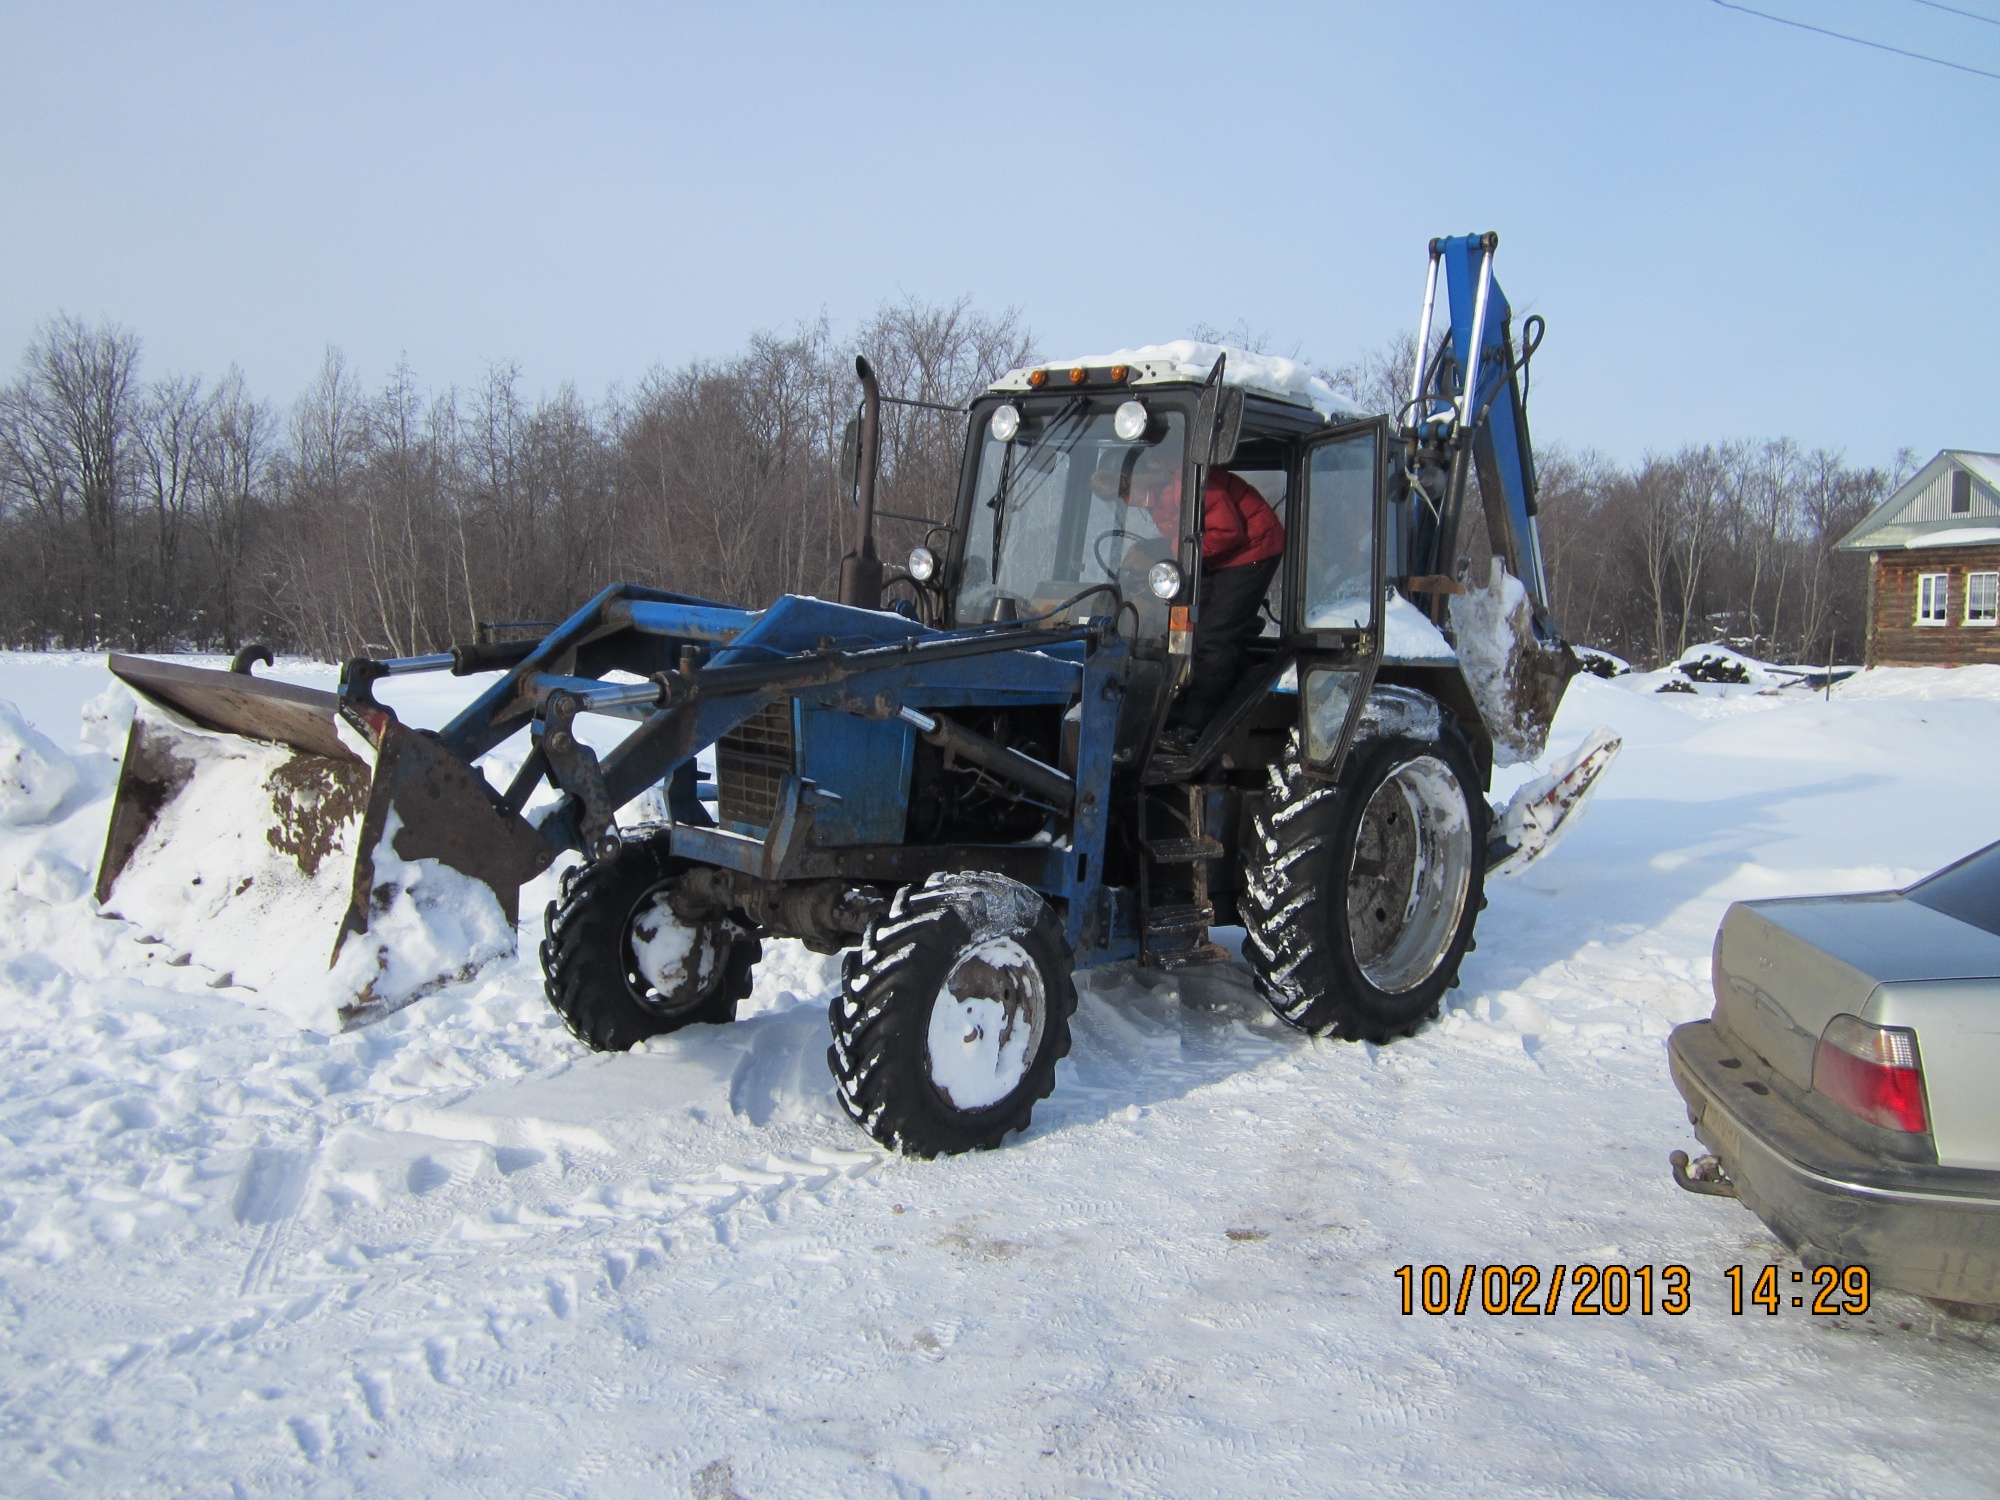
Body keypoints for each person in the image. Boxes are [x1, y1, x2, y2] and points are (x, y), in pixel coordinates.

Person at [1098, 445, 1285, 747]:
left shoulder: (1188, 484)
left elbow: (1229, 532)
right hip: (1215, 554)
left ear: (1145, 476)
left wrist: (1179, 550)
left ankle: (1195, 725)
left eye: (1128, 490)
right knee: (1185, 631)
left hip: (1253, 546)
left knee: (1214, 637)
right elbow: (1184, 535)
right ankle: (1225, 693)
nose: (1128, 501)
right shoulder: (1155, 495)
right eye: (1121, 495)